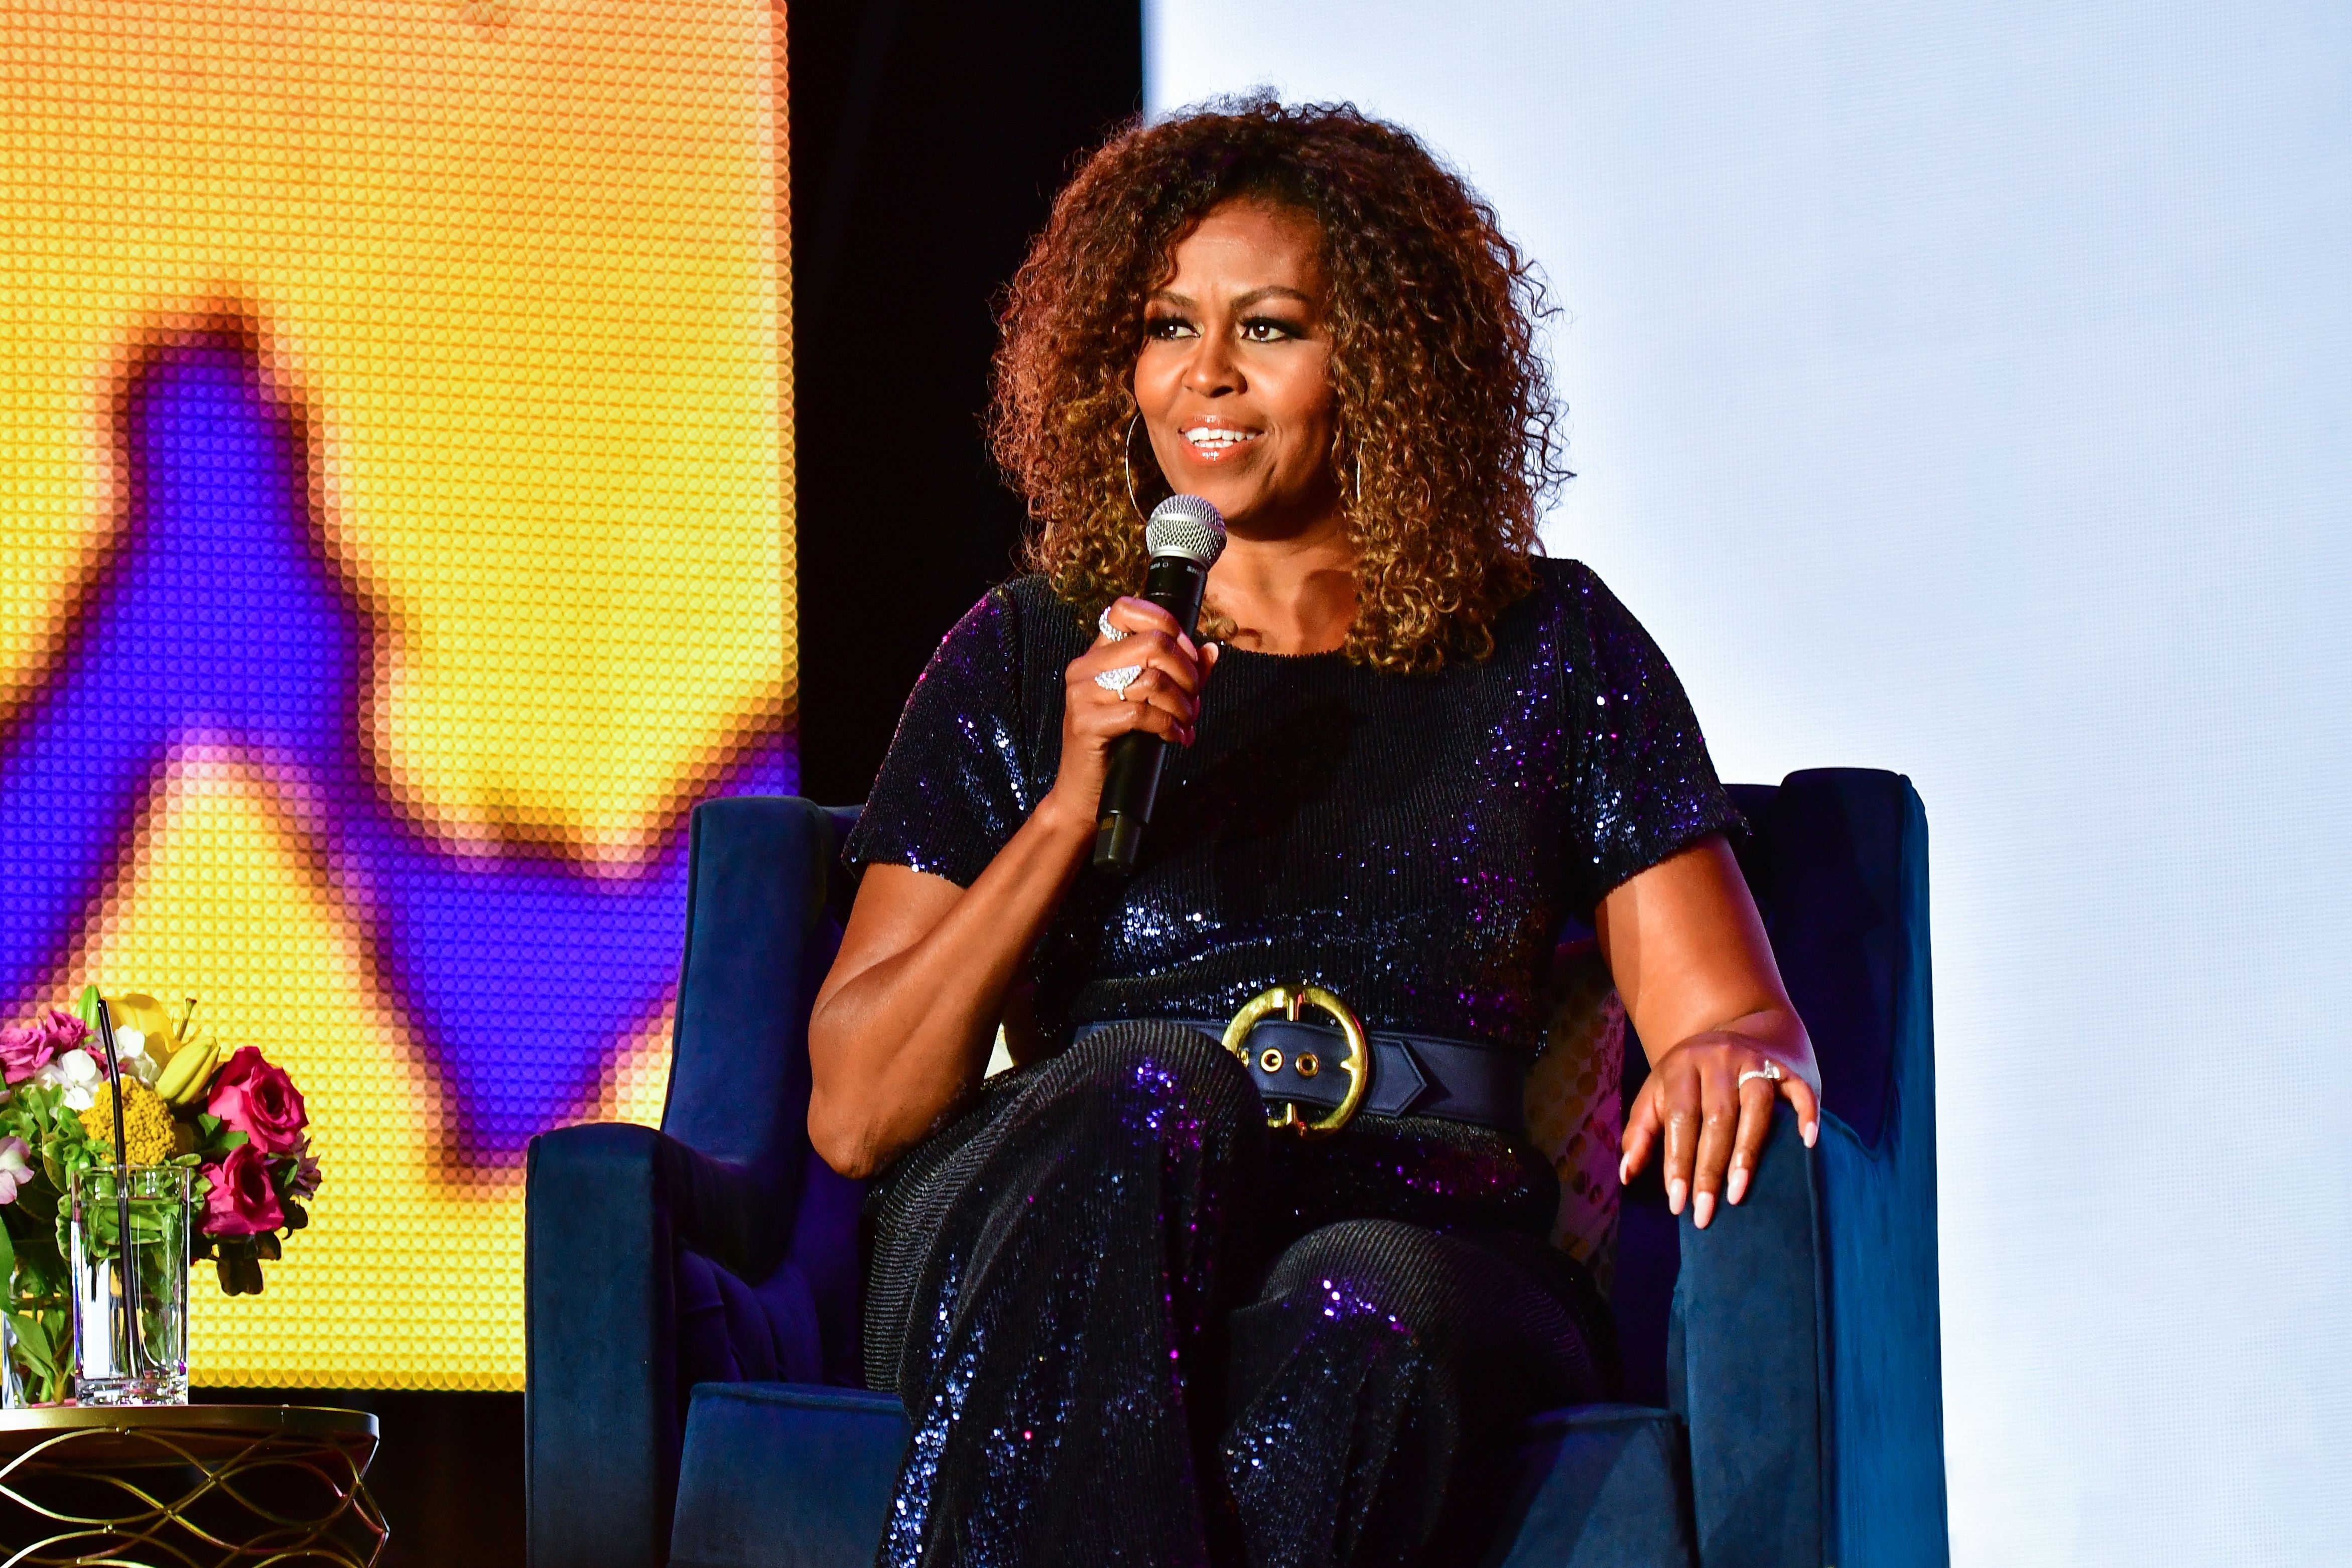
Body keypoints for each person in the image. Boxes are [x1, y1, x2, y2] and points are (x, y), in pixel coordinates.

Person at [808, 99, 1821, 1568]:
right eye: (1166, 326)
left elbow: (1728, 1008)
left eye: (1271, 328)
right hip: (1076, 1234)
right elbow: (856, 1111)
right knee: (1152, 1081)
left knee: (1364, 1297)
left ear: (1387, 366)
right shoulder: (1028, 657)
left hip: (1429, 1234)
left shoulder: (1546, 651)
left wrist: (1737, 1044)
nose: (1204, 376)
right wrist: (1070, 804)